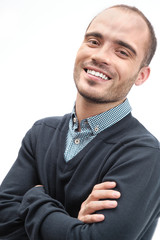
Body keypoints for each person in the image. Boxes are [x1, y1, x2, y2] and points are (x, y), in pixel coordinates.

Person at [0, 4, 160, 240]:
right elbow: (3, 222)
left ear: (141, 76)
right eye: (94, 41)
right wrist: (73, 223)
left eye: (122, 52)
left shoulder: (143, 154)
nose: (100, 56)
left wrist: (33, 198)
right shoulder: (41, 134)